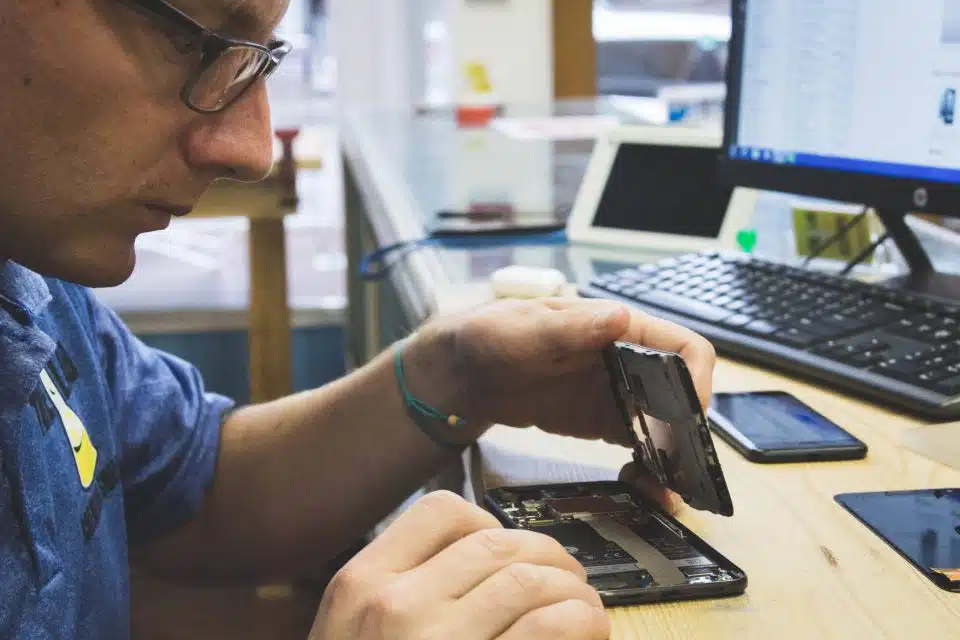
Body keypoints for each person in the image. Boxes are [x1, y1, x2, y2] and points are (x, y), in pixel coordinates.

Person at [0, 1, 716, 639]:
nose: (250, 151)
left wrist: (460, 374)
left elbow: (197, 489)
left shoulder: (30, 272)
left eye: (256, 61)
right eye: (201, 42)